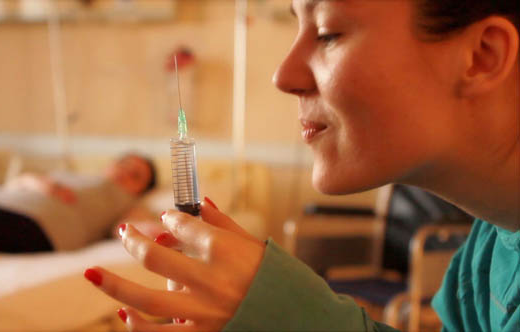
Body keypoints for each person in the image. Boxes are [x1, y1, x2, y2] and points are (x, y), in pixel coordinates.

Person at [84, 0, 520, 331]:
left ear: (482, 55)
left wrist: (299, 315)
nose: (282, 76)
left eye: (328, 33)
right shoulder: (486, 256)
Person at [0, 153, 157, 253]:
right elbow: (16, 183)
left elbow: (131, 229)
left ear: (141, 190)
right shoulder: (73, 175)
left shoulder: (129, 203)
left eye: (135, 175)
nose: (125, 172)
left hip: (37, 225)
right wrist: (41, 183)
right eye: (123, 163)